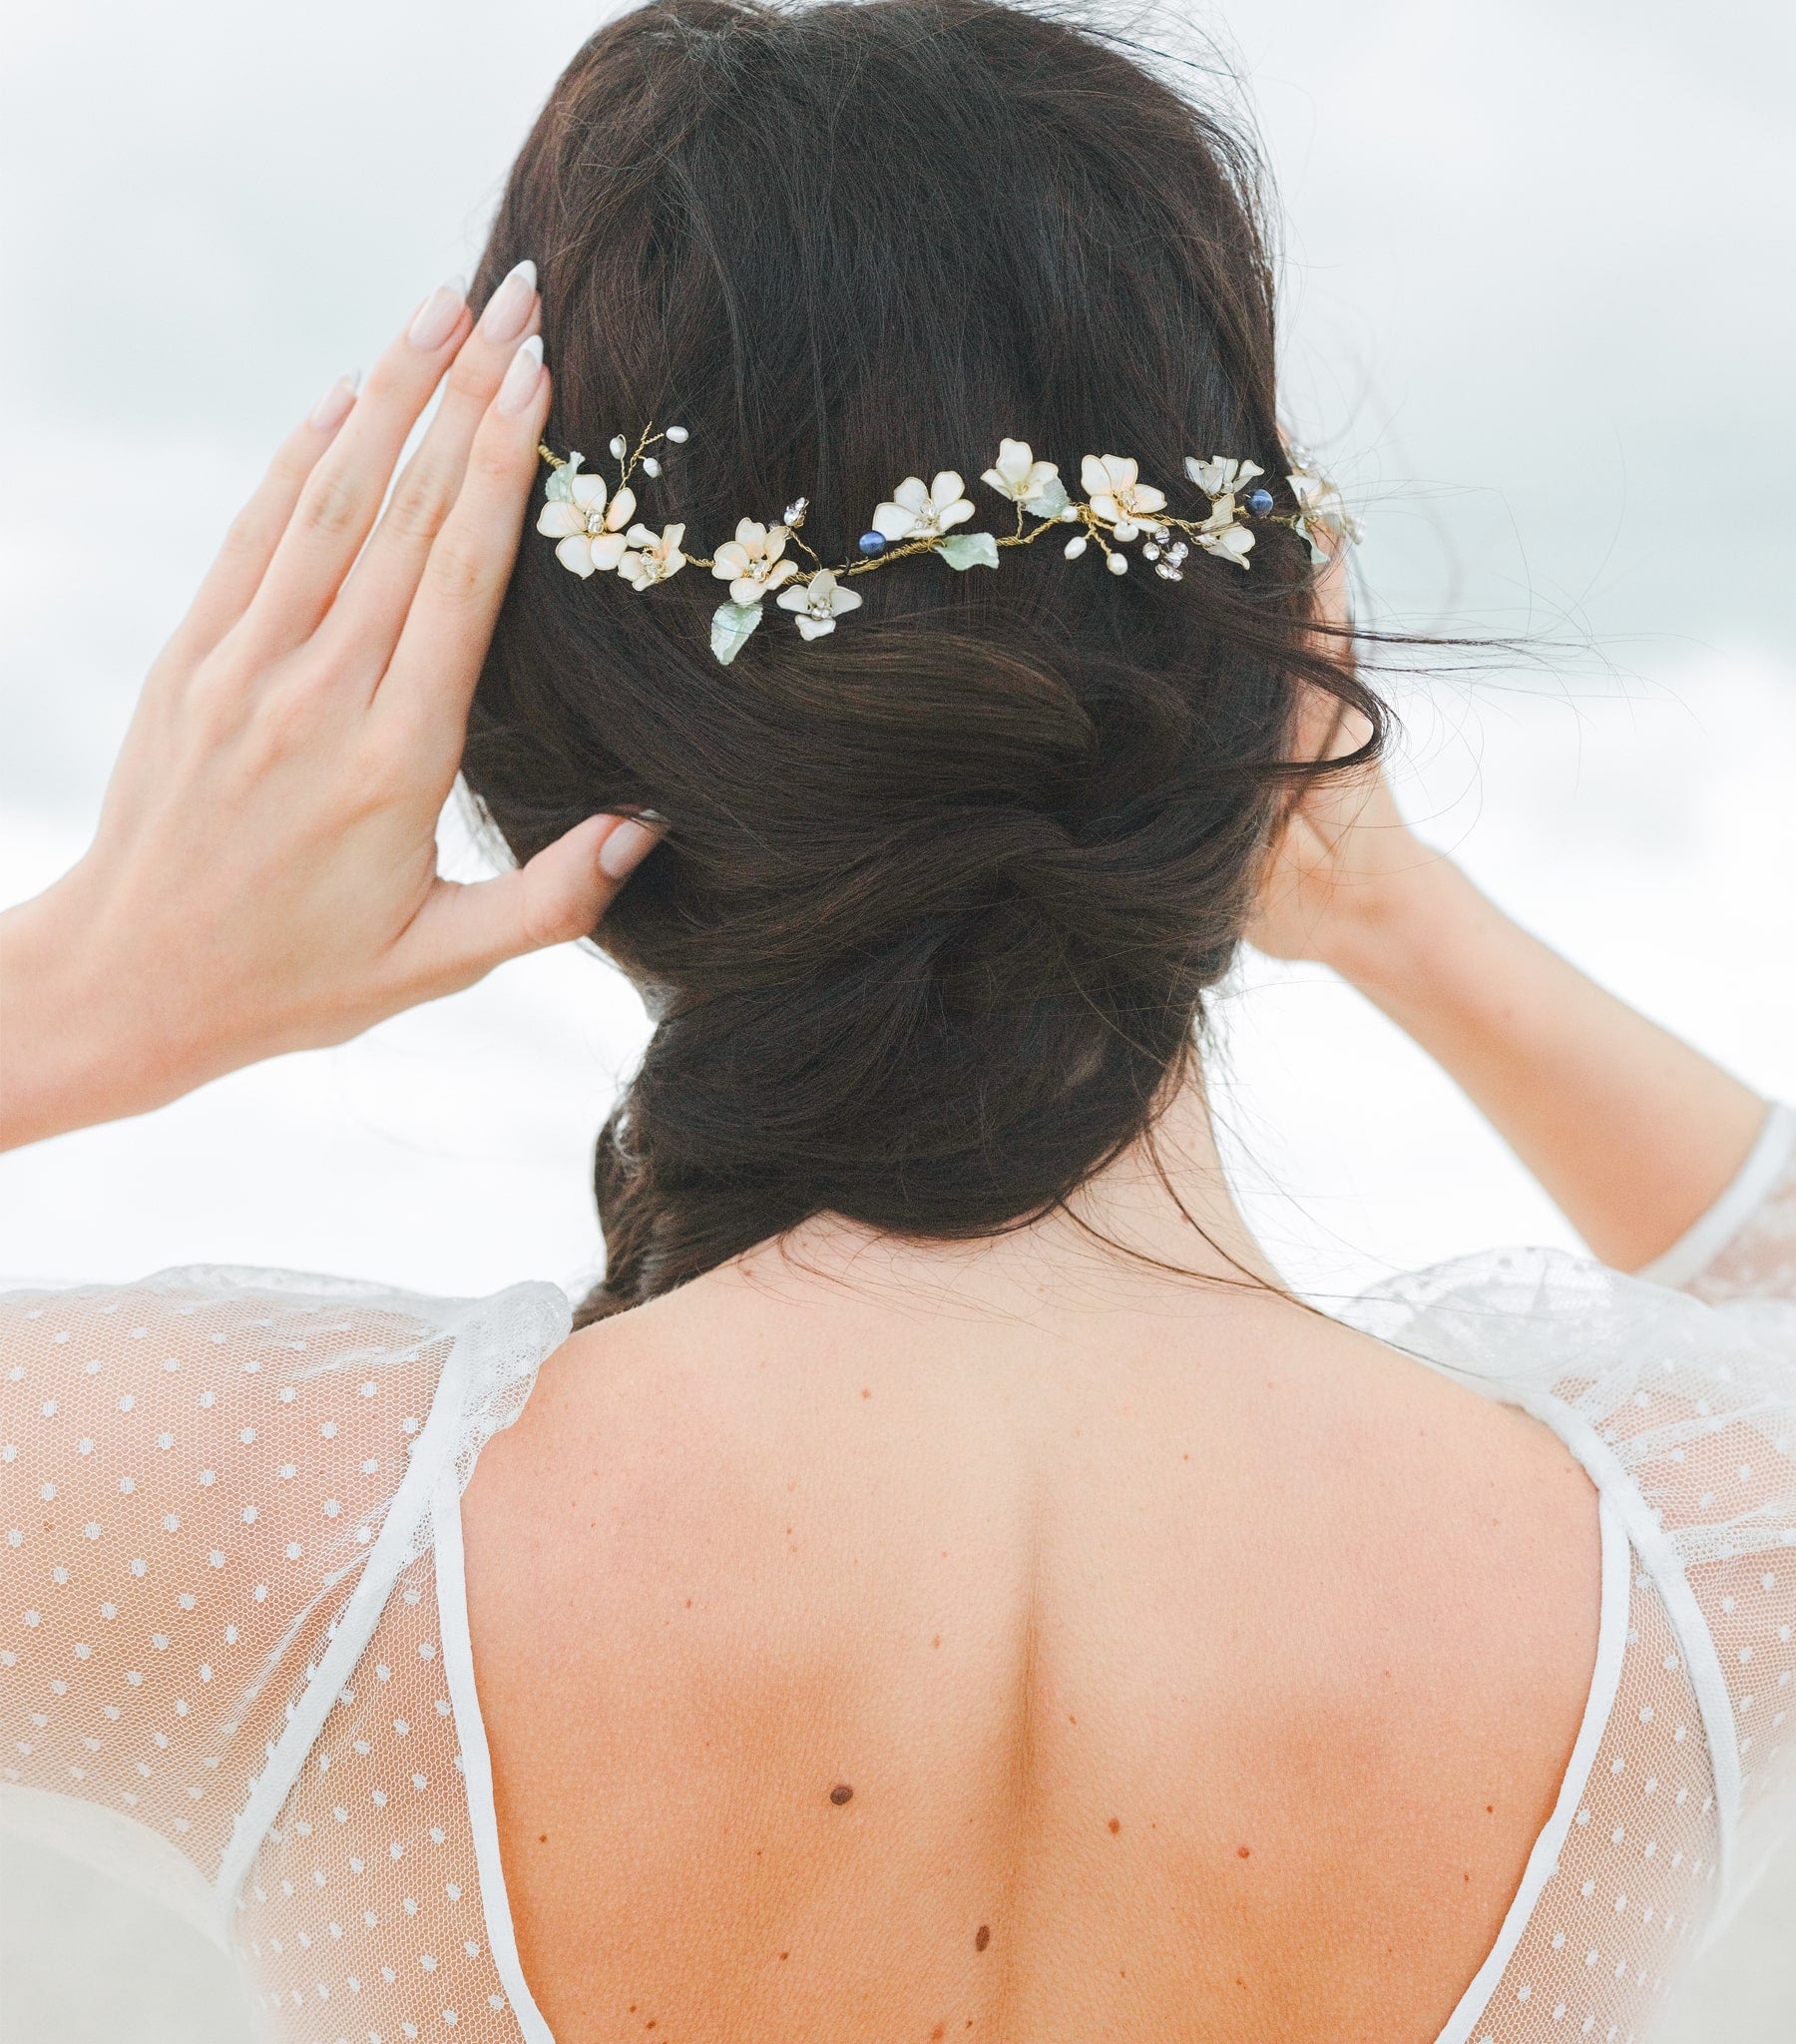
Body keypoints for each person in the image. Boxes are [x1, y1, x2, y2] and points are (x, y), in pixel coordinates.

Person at [1, 2, 1792, 2039]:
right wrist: (1391, 902)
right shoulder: (1663, 1579)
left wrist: (96, 987)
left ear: (533, 719)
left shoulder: (295, 1551)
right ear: (1279, 672)